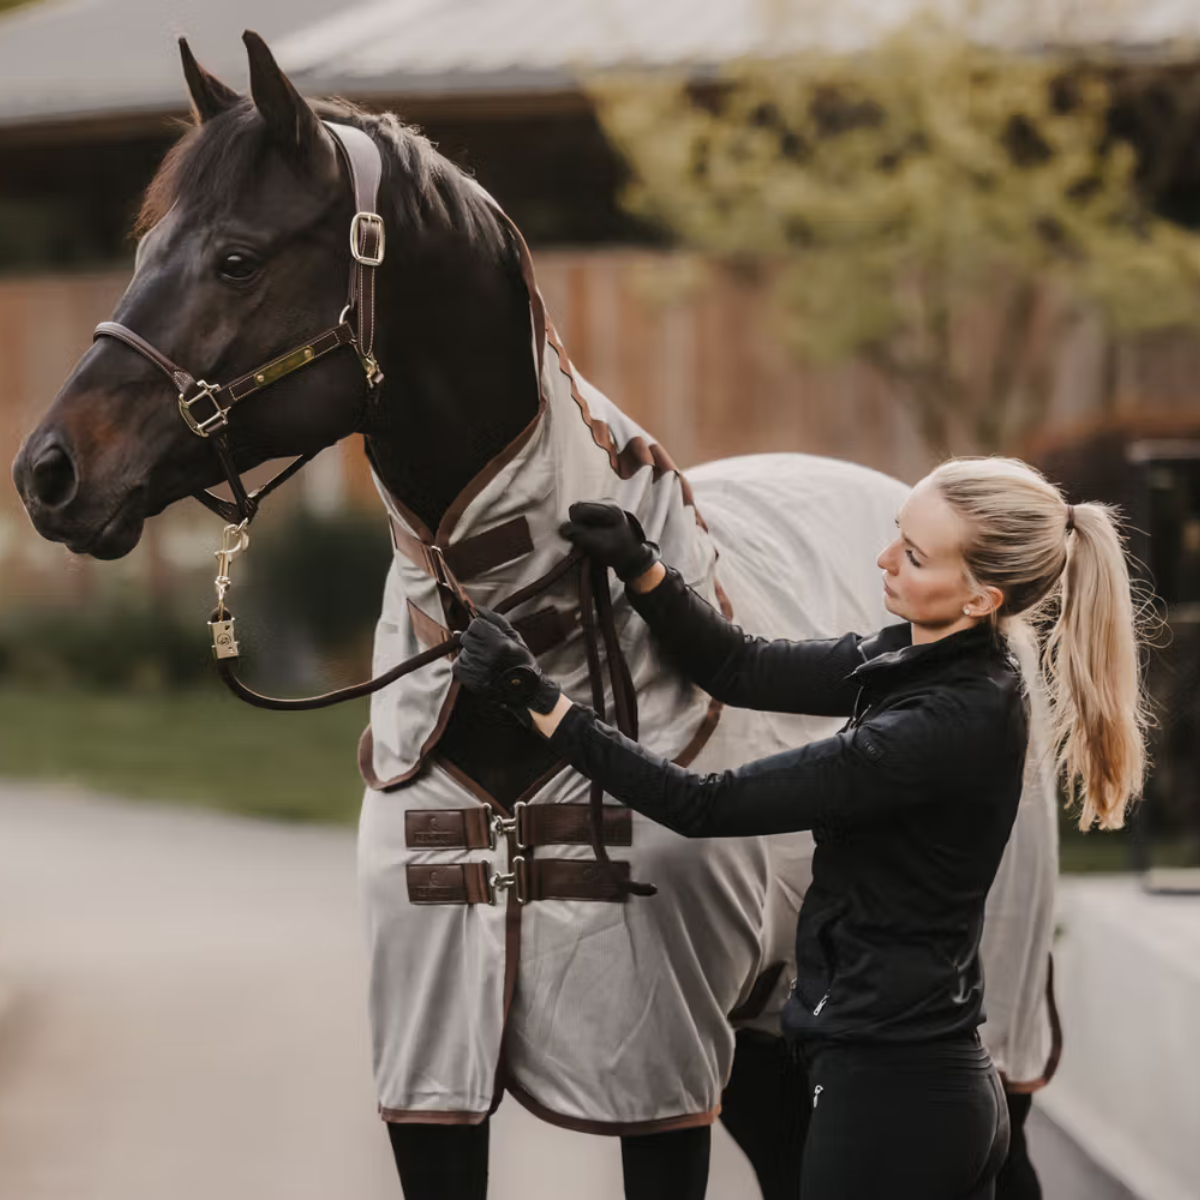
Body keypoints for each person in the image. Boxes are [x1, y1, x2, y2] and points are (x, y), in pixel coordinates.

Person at [452, 456, 1149, 1200]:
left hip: (894, 1103)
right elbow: (742, 666)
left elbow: (703, 804)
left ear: (982, 597)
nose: (884, 559)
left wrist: (536, 701)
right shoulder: (921, 659)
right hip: (911, 1086)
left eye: (913, 556)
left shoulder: (938, 725)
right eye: (896, 537)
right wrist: (644, 569)